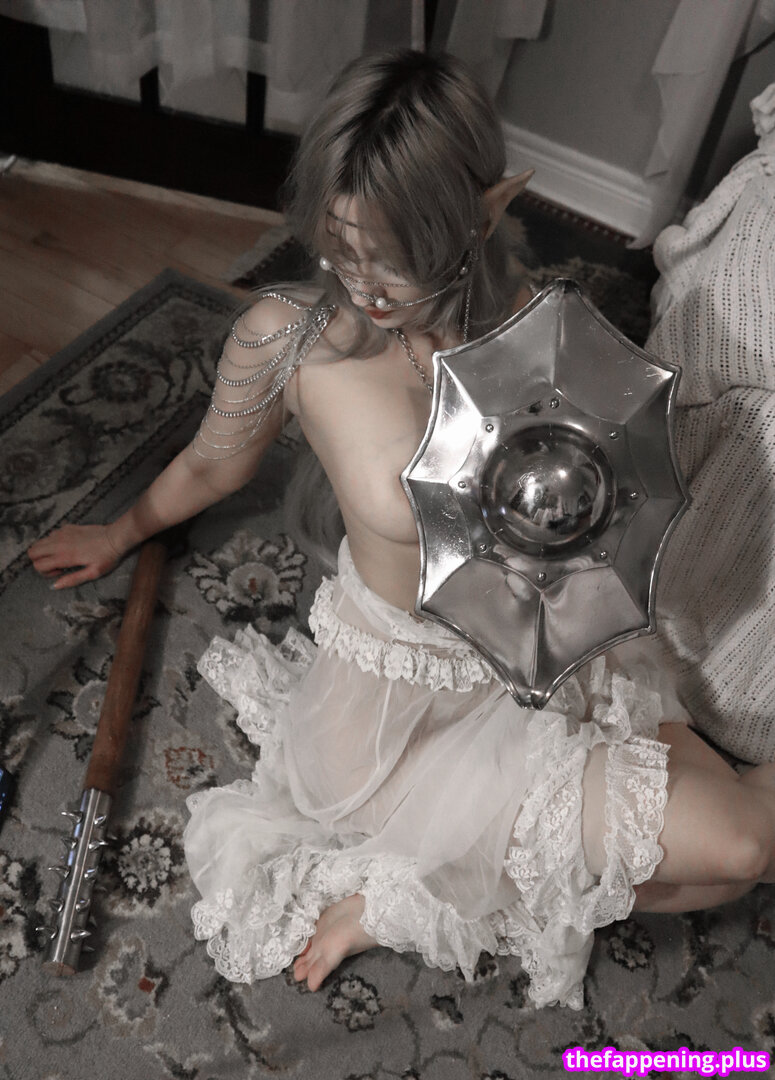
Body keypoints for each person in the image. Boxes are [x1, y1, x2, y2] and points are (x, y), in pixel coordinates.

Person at [28, 50, 775, 1010]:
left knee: (727, 867)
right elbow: (213, 466)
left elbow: (595, 530)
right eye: (342, 247)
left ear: (486, 211)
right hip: (385, 721)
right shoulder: (286, 337)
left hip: (538, 675)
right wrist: (122, 530)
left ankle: (438, 885)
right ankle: (412, 891)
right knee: (740, 851)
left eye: (398, 254)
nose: (366, 286)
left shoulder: (543, 329)